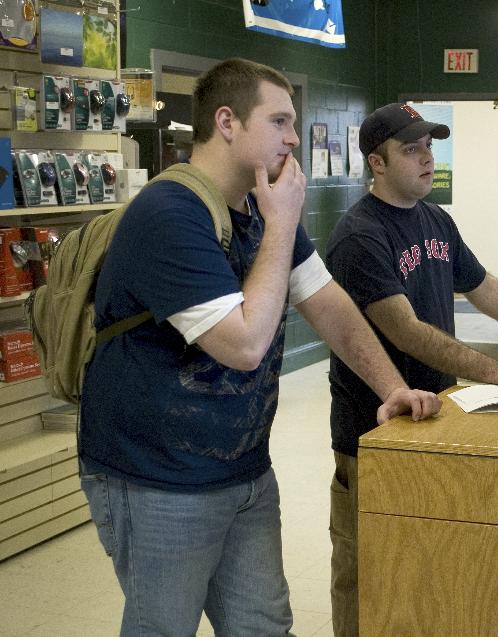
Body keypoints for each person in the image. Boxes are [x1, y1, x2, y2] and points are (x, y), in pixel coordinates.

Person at [78, 59, 441, 636]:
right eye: (279, 121)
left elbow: (328, 304)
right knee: (162, 627)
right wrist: (281, 222)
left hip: (243, 472)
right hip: (156, 478)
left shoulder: (259, 206)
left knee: (263, 625)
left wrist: (392, 388)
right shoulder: (169, 215)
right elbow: (244, 344)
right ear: (227, 122)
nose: (294, 137)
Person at [325, 102, 498, 636]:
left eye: (430, 146)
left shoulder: (436, 219)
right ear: (377, 163)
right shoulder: (359, 236)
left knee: (426, 565)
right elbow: (405, 330)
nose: (427, 158)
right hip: (375, 433)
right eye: (411, 149)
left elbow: (486, 290)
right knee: (367, 571)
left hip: (438, 421)